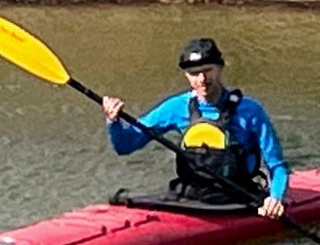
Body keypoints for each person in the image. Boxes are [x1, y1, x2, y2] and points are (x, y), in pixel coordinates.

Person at [100, 36, 289, 217]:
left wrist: (275, 198)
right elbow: (125, 146)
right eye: (193, 73)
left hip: (238, 198)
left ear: (220, 68)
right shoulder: (175, 108)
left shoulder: (250, 111)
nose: (201, 79)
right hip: (190, 197)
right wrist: (113, 121)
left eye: (207, 70)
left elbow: (277, 166)